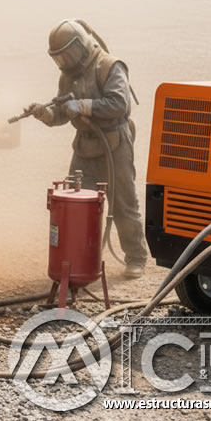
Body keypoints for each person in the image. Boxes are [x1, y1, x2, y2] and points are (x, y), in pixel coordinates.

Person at [27, 19, 148, 279]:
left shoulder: (109, 66)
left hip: (114, 143)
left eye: (68, 54)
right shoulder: (67, 76)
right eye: (59, 58)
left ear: (81, 46)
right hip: (84, 145)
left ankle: (136, 257)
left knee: (123, 202)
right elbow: (61, 113)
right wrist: (44, 114)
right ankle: (81, 258)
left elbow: (119, 105)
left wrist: (82, 106)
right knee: (76, 202)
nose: (65, 62)